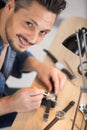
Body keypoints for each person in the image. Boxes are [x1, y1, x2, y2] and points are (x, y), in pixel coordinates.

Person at [0, 0, 66, 128]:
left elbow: (14, 48)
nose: (33, 39)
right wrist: (8, 104)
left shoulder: (5, 16)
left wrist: (38, 66)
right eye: (29, 24)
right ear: (10, 6)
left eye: (43, 32)